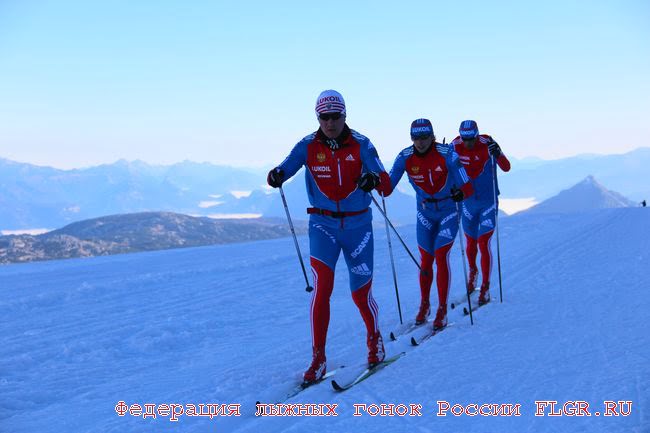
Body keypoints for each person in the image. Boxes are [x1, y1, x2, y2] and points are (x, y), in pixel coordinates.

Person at [267, 90, 391, 384]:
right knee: (322, 288)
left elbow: (385, 185)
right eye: (324, 117)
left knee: (360, 293)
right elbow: (285, 168)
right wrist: (276, 175)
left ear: (344, 116)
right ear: (317, 117)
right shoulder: (307, 145)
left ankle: (374, 340)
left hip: (358, 227)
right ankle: (318, 358)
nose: (330, 123)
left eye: (335, 116)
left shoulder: (362, 144)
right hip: (322, 225)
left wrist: (373, 179)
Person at [386, 119, 473, 331]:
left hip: (449, 210)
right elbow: (386, 188)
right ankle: (425, 305)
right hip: (424, 212)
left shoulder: (448, 154)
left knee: (441, 255)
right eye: (416, 138)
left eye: (425, 137)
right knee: (426, 260)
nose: (420, 142)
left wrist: (461, 193)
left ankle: (442, 308)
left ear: (432, 137)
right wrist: (368, 178)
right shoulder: (405, 156)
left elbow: (468, 187)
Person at [450, 120, 511, 305]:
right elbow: (447, 169)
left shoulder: (487, 143)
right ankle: (473, 272)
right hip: (468, 203)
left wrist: (498, 153)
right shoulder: (455, 145)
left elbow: (506, 167)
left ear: (477, 135)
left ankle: (485, 286)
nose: (468, 143)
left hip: (488, 202)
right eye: (465, 139)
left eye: (471, 139)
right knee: (470, 242)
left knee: (483, 243)